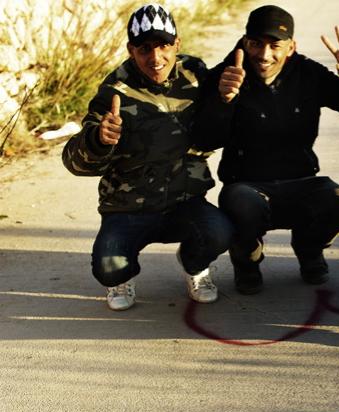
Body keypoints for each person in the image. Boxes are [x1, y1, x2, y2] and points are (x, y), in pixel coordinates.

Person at [192, 5, 339, 294]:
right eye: (256, 43)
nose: (264, 54)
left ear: (291, 47)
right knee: (243, 202)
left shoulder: (307, 73)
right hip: (247, 186)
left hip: (301, 182)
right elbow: (204, 140)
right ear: (246, 42)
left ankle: (309, 248)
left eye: (275, 45)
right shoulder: (226, 75)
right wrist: (223, 102)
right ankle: (247, 261)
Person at [63, 3, 232, 311]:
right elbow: (74, 162)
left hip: (184, 201)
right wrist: (99, 140)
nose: (156, 58)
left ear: (177, 44)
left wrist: (226, 100)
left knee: (219, 231)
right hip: (129, 209)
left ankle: (194, 265)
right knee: (108, 267)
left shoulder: (195, 74)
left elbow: (217, 126)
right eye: (144, 49)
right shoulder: (113, 91)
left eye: (164, 46)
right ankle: (122, 278)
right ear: (131, 50)